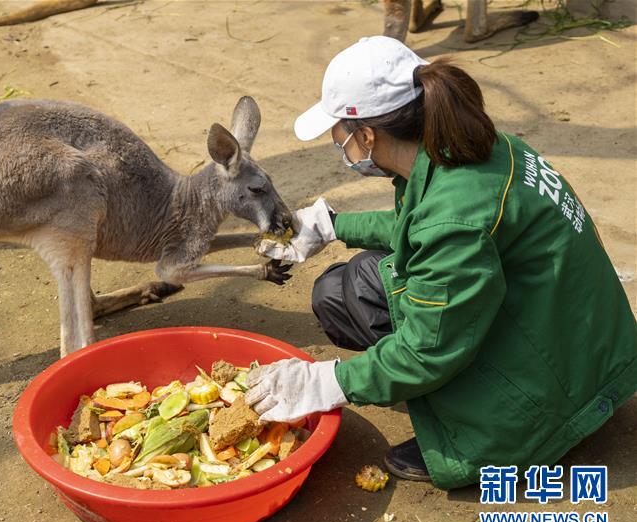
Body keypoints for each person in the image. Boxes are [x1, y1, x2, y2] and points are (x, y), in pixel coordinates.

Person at [246, 36, 636, 490]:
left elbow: (427, 346)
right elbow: (424, 220)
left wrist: (329, 382)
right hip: (575, 337)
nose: (338, 144)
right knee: (341, 291)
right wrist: (334, 225)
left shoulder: (456, 217)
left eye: (339, 134)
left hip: (561, 383)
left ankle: (504, 434)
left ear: (367, 135)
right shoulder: (474, 145)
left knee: (416, 337)